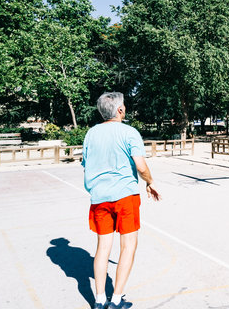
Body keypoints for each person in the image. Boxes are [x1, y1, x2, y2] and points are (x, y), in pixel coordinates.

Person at [82, 92, 161, 309]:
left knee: (102, 248)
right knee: (128, 246)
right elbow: (140, 165)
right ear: (119, 110)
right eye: (124, 106)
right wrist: (150, 181)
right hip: (125, 195)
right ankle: (116, 299)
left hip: (99, 197)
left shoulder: (91, 134)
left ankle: (99, 300)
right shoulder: (129, 132)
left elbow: (86, 164)